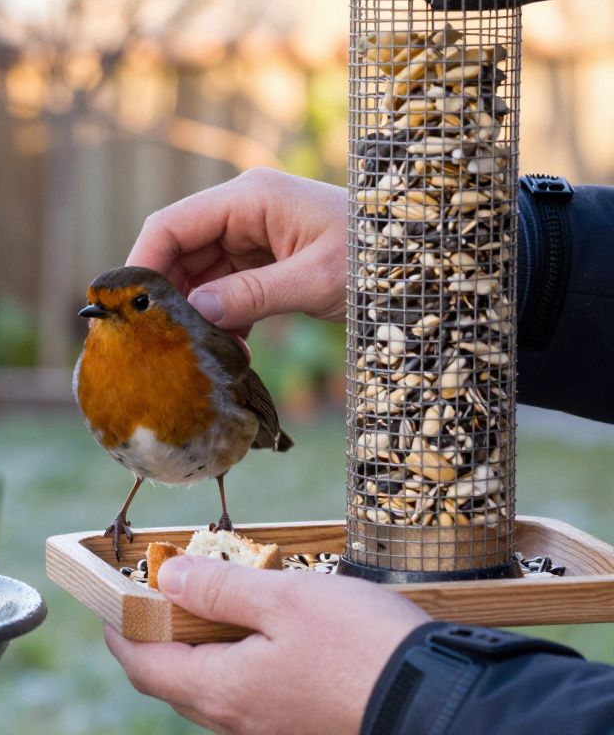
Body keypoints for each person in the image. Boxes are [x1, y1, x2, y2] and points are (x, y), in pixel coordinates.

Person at [105, 168, 614, 734]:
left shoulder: (198, 353)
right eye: (99, 309)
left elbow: (246, 393)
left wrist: (400, 694)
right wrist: (407, 243)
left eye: (135, 305)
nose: (107, 317)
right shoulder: (100, 371)